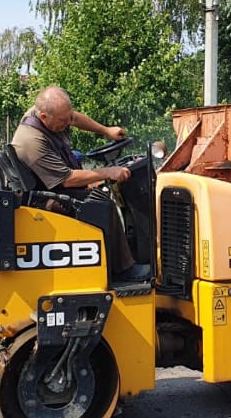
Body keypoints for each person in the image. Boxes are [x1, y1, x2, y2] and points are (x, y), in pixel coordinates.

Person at [10, 85, 148, 282]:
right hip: (44, 199)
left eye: (68, 118)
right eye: (62, 121)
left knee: (98, 194)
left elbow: (74, 118)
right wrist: (107, 172)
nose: (68, 123)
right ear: (43, 117)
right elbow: (67, 179)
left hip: (52, 186)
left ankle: (117, 257)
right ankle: (123, 270)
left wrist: (106, 131)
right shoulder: (31, 142)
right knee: (102, 205)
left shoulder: (44, 113)